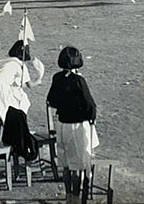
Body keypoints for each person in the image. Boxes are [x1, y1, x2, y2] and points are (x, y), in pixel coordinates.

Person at [47, 46, 98, 204]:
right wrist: (91, 118)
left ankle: (68, 196)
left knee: (67, 165)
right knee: (78, 166)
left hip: (61, 125)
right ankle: (75, 199)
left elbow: (51, 100)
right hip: (76, 127)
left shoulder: (57, 78)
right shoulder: (78, 81)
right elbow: (90, 105)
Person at [0, 40, 44, 121]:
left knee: (17, 94)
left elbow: (20, 84)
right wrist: (38, 81)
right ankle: (16, 123)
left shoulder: (2, 58)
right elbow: (29, 84)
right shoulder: (19, 64)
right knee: (23, 99)